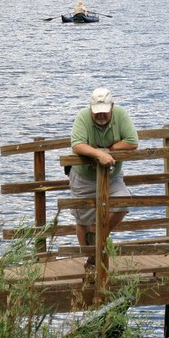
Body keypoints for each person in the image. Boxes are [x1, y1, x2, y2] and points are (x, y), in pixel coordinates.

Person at [69, 88, 139, 267]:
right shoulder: (82, 117)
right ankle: (90, 259)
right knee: (83, 219)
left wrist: (110, 150)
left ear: (112, 107)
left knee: (123, 201)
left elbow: (132, 141)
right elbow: (77, 145)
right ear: (91, 108)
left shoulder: (121, 115)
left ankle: (99, 234)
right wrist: (97, 154)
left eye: (104, 111)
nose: (101, 115)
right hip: (84, 176)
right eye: (97, 112)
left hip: (112, 177)